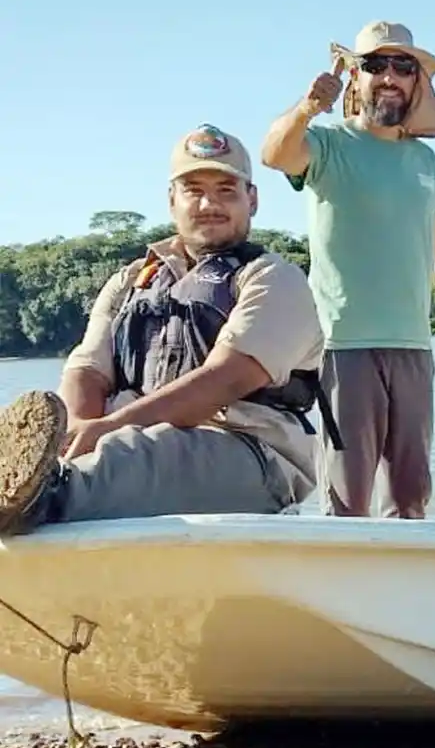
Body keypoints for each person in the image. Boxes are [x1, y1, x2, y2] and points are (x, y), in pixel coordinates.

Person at [259, 20, 435, 520]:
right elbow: (274, 154)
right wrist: (308, 108)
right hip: (344, 349)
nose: (389, 76)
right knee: (348, 503)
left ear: (416, 82)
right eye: (375, 65)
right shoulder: (327, 145)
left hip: (414, 348)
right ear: (357, 77)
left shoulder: (428, 163)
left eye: (403, 66)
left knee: (412, 498)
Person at [0, 123, 330, 537]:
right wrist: (78, 438)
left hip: (248, 453)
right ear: (171, 200)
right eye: (193, 189)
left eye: (226, 190)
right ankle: (45, 484)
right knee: (111, 454)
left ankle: (40, 497)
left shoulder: (273, 278)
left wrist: (107, 431)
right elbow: (86, 370)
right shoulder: (130, 281)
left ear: (253, 199)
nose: (210, 203)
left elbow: (224, 380)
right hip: (123, 447)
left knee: (133, 456)